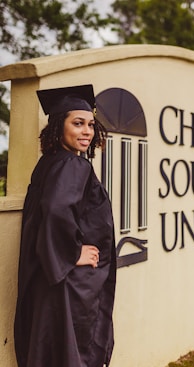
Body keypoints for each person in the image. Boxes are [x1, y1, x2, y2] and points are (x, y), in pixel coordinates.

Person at [14, 84, 117, 367]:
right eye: (78, 123)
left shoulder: (49, 163)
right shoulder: (73, 165)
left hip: (49, 277)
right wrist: (72, 254)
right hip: (69, 281)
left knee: (50, 349)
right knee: (74, 352)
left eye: (91, 125)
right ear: (59, 126)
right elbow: (55, 209)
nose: (87, 131)